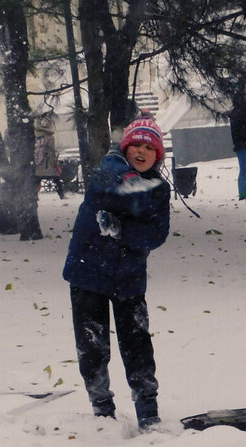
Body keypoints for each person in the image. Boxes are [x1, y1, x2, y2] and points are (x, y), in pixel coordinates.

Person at [62, 116, 171, 430]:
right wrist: (139, 198)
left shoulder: (158, 189)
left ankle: (147, 409)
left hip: (129, 278)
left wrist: (122, 228)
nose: (141, 151)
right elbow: (115, 184)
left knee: (137, 346)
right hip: (88, 274)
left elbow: (156, 234)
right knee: (92, 347)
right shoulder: (109, 169)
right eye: (136, 144)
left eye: (149, 148)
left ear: (157, 155)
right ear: (125, 147)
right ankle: (102, 409)